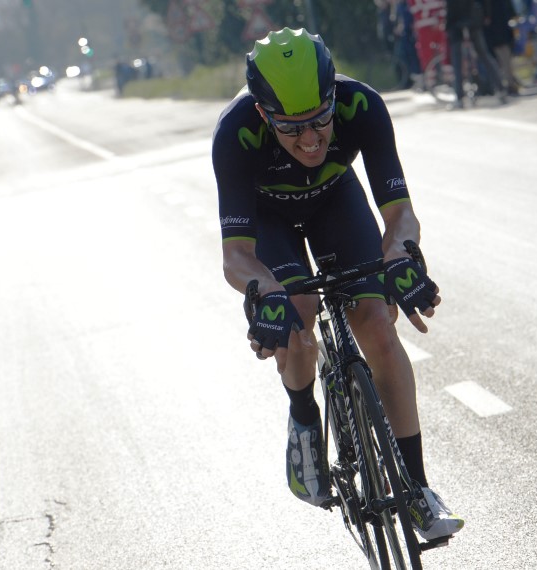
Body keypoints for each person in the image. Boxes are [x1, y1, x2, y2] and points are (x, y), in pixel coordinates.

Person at [211, 27, 465, 541]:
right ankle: (305, 420)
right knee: (298, 311)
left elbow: (400, 215)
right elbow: (236, 256)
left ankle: (417, 490)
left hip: (335, 200)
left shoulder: (361, 105)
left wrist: (401, 255)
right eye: (291, 127)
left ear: (333, 97)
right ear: (263, 114)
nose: (310, 139)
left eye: (320, 120)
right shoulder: (235, 133)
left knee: (377, 326)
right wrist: (265, 292)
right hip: (269, 219)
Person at [443, 0, 504, 107]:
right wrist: (486, 14)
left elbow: (451, 6)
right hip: (471, 19)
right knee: (483, 56)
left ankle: (459, 97)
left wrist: (448, 25)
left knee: (458, 61)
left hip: (461, 21)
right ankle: (500, 88)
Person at [486, 0, 520, 95]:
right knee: (504, 56)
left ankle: (510, 83)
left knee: (503, 55)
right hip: (502, 23)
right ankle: (509, 82)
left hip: (496, 25)